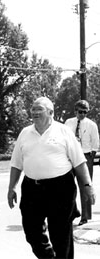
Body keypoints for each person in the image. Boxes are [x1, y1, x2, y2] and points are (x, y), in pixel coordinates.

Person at [7, 97, 96, 259]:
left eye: (39, 109)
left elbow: (79, 162)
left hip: (61, 189)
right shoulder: (25, 133)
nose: (34, 112)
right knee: (32, 233)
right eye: (33, 109)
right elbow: (16, 163)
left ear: (51, 112)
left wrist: (88, 186)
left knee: (61, 237)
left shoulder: (63, 131)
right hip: (31, 189)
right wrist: (11, 187)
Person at [65, 100, 99, 225]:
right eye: (80, 112)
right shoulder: (68, 123)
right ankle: (73, 211)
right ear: (75, 111)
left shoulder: (91, 125)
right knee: (67, 186)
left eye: (85, 112)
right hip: (70, 156)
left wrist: (89, 159)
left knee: (85, 186)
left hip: (85, 156)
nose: (83, 114)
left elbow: (95, 144)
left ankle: (85, 216)